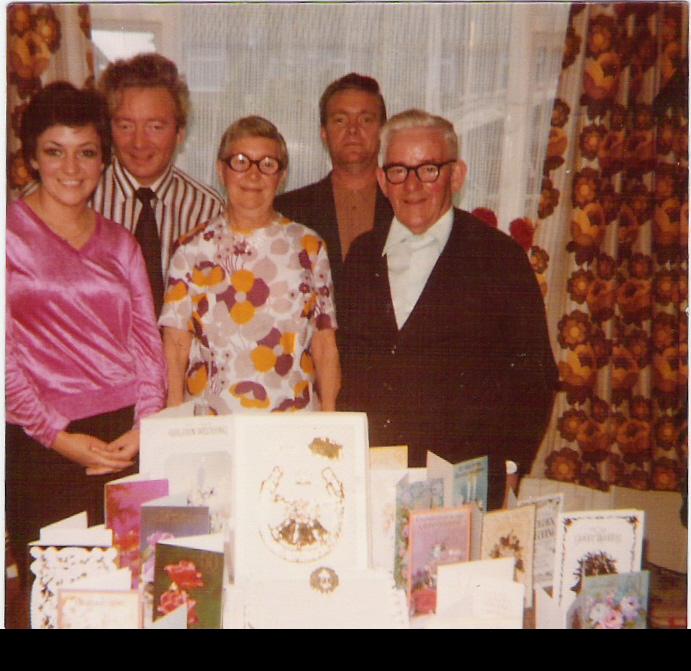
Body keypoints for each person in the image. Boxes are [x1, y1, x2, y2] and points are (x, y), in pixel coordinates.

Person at [337, 109, 558, 509]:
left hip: (463, 481)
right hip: (372, 478)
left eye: (429, 170)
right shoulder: (361, 256)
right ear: (383, 181)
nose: (413, 185)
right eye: (400, 171)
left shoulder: (499, 258)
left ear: (456, 176)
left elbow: (534, 373)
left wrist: (507, 469)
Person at [5, 82, 168, 588]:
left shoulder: (120, 243)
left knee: (131, 589)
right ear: (32, 158)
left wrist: (144, 426)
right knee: (58, 593)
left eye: (86, 153)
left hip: (126, 440)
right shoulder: (8, 235)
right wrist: (57, 435)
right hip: (42, 445)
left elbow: (146, 343)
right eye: (55, 152)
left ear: (103, 162)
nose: (71, 169)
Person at [160, 116, 340, 415]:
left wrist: (331, 417)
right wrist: (174, 415)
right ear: (221, 169)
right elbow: (176, 343)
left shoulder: (309, 246)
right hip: (212, 420)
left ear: (281, 176)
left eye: (267, 164)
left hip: (292, 418)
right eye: (241, 162)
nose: (253, 175)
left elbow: (324, 342)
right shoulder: (190, 248)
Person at [94, 53, 224, 315]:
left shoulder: (208, 210)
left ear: (180, 133)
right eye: (126, 126)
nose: (139, 142)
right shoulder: (84, 198)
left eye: (155, 126)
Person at [275, 73, 393, 302]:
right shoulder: (287, 211)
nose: (353, 130)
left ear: (382, 131)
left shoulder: (407, 206)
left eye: (366, 120)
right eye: (340, 120)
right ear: (324, 133)